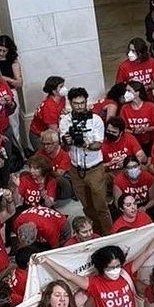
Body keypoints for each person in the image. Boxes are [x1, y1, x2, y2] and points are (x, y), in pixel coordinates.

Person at [59, 87, 111, 236]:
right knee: (87, 205)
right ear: (71, 103)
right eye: (76, 103)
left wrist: (84, 143)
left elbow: (98, 145)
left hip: (94, 167)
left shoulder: (96, 120)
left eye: (82, 103)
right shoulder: (65, 121)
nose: (80, 106)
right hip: (76, 168)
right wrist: (68, 141)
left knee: (101, 205)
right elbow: (65, 148)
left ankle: (109, 234)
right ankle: (93, 233)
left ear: (86, 102)